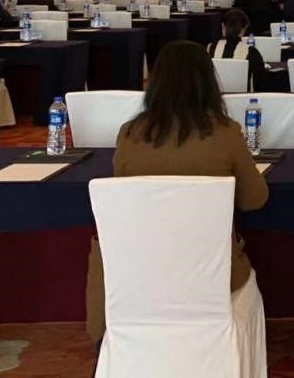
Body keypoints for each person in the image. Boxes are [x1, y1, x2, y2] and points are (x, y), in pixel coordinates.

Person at [85, 40, 269, 344]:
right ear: (208, 83)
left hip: (140, 273)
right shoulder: (225, 132)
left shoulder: (130, 133)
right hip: (213, 278)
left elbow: (127, 196)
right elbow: (254, 200)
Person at [209, 8, 265, 89]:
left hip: (216, 95)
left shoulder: (211, 48)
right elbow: (260, 83)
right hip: (243, 96)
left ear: (223, 27)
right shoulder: (252, 52)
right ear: (244, 29)